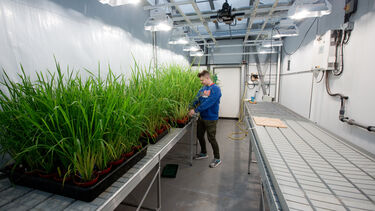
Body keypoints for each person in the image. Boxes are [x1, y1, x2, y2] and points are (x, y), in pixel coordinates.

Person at [189, 70, 222, 168]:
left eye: (202, 80)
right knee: (199, 135)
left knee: (211, 138)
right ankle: (204, 153)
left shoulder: (216, 89)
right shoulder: (202, 89)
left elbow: (209, 102)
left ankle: (217, 158)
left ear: (207, 78)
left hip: (211, 118)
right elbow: (196, 99)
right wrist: (190, 107)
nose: (201, 82)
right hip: (202, 117)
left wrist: (196, 110)